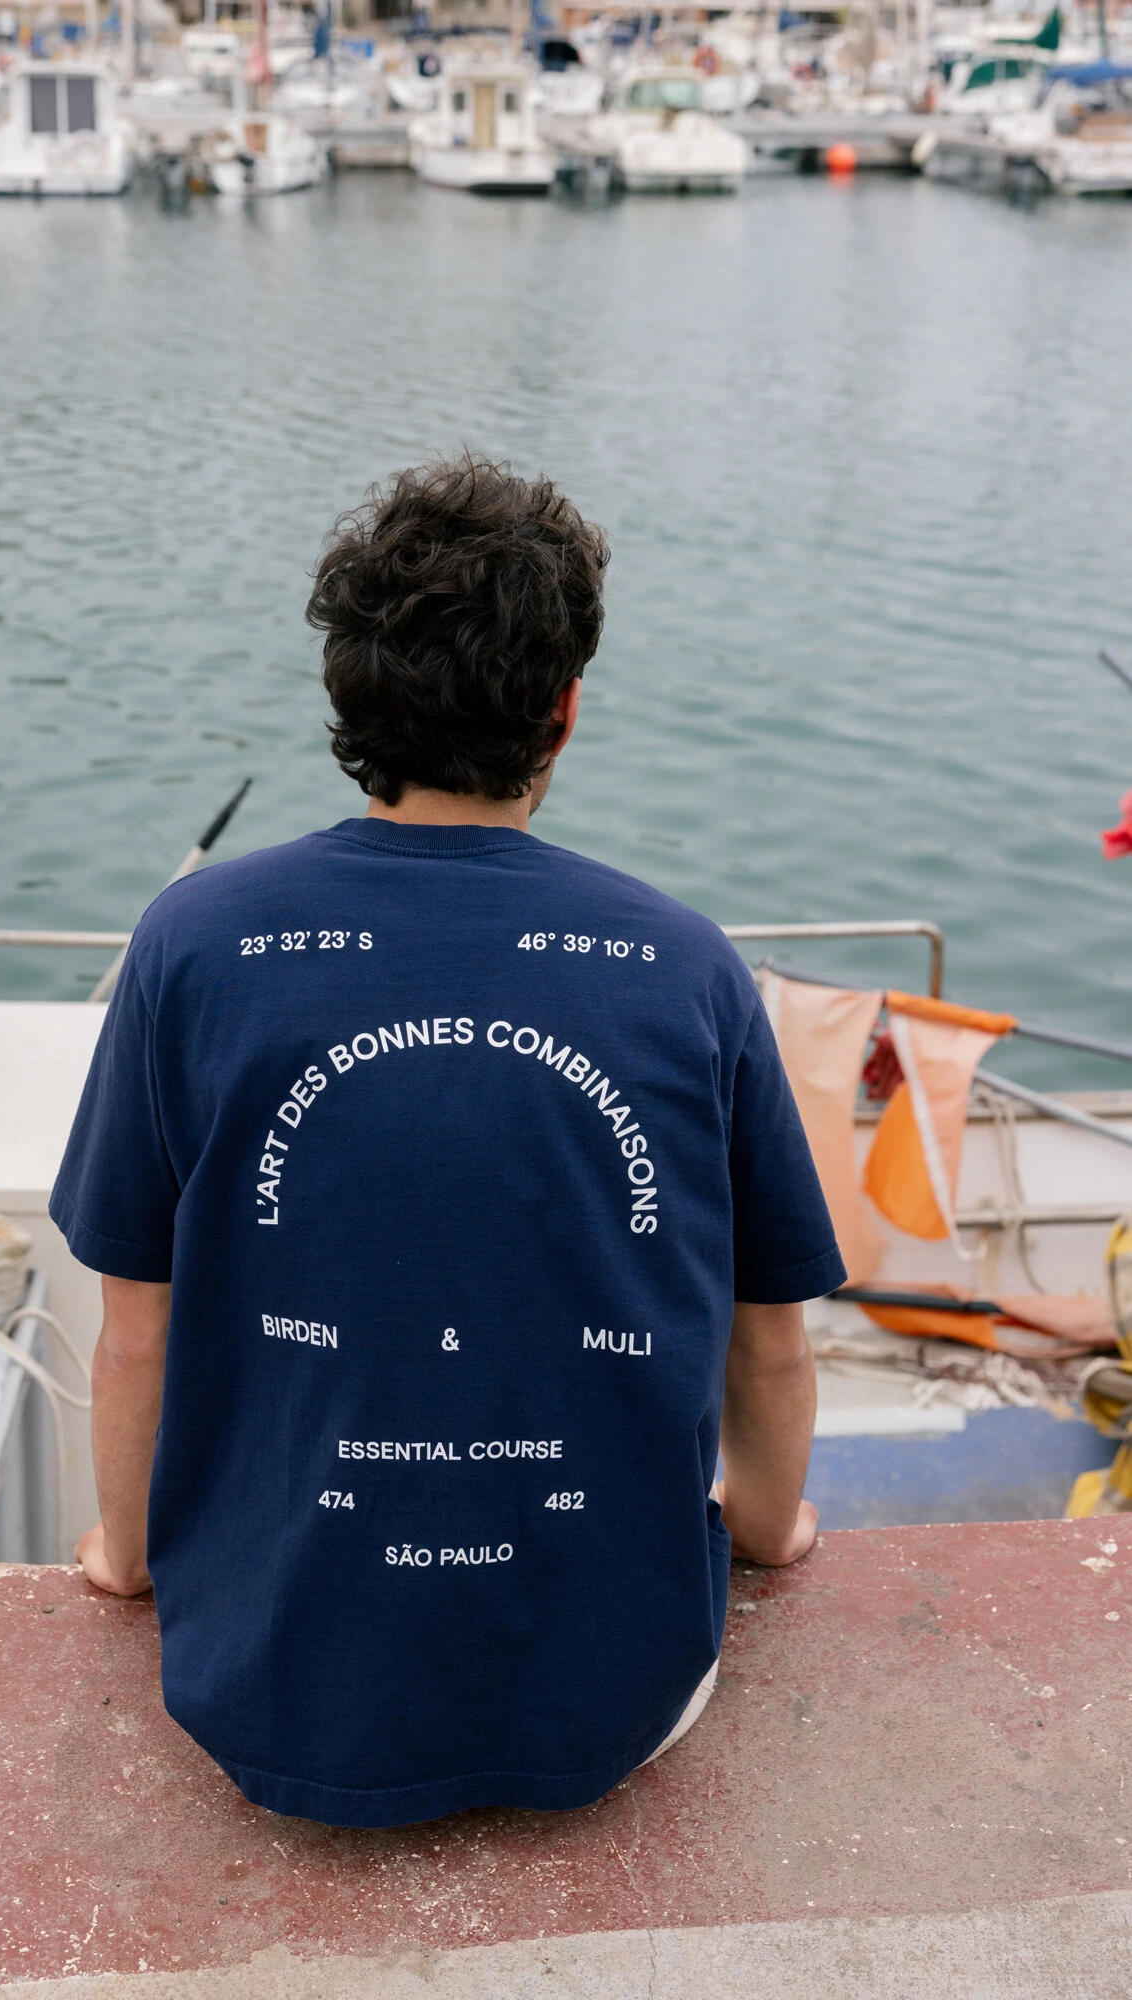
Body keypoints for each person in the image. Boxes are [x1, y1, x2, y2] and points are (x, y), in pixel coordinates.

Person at [50, 454, 844, 1830]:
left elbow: (137, 1334)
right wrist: (769, 1532)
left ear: (349, 696)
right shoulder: (685, 967)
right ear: (564, 707)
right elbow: (765, 1342)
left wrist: (128, 1555)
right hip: (622, 1700)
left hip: (263, 1685)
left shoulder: (194, 945)